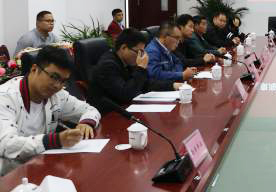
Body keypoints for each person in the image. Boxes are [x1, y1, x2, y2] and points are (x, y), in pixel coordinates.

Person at [0, 46, 100, 175]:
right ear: (34, 69)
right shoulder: (5, 97)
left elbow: (89, 109)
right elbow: (6, 145)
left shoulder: (57, 95)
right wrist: (54, 140)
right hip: (9, 176)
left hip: (41, 167)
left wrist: (86, 123)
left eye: (63, 81)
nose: (57, 85)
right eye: (54, 77)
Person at [88, 29, 182, 114]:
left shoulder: (127, 61)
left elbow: (146, 84)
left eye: (142, 52)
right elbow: (126, 94)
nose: (140, 56)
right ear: (123, 48)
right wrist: (141, 68)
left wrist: (172, 85)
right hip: (108, 115)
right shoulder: (107, 65)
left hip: (126, 109)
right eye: (138, 52)